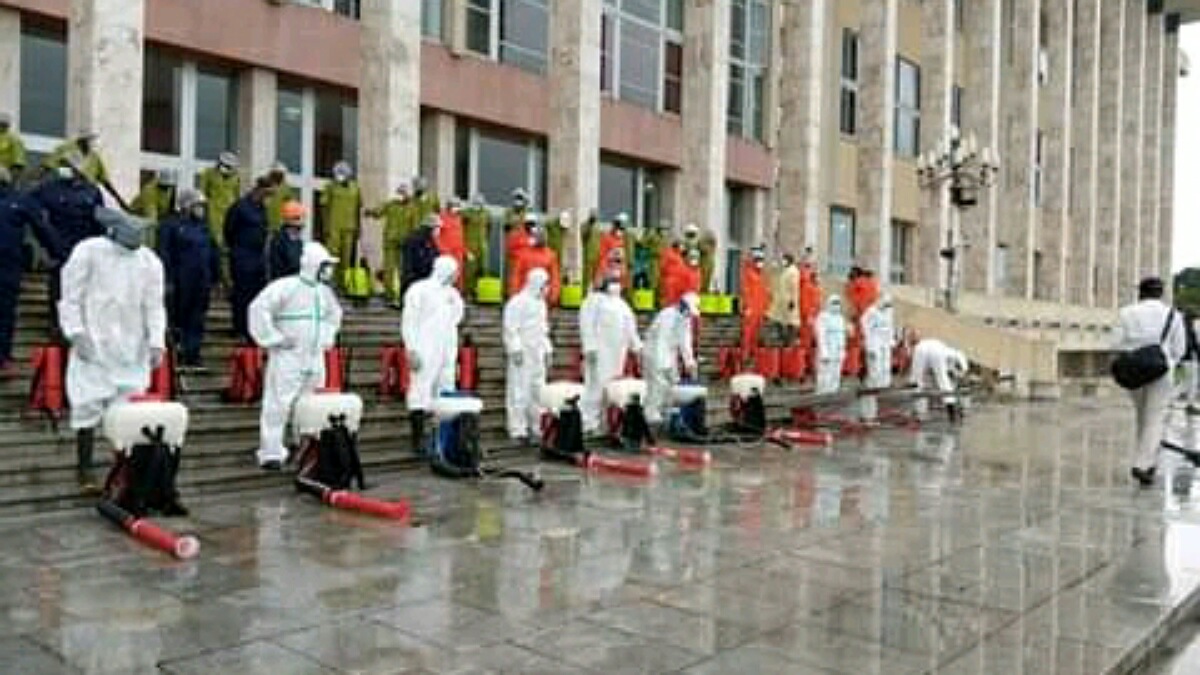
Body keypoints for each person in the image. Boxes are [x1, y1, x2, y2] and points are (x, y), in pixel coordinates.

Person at [60, 208, 166, 493]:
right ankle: (84, 470)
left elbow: (154, 305)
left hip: (132, 348)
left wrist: (157, 341)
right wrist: (76, 332)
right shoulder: (89, 251)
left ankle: (124, 472)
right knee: (87, 405)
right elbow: (70, 296)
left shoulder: (149, 261)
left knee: (128, 412)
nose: (138, 238)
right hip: (94, 343)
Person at [249, 242, 343, 471]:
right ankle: (271, 452)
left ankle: (305, 448)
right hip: (288, 357)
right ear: (314, 265)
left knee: (310, 406)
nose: (329, 269)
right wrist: (273, 338)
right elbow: (258, 309)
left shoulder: (325, 293)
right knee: (278, 404)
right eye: (326, 264)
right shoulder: (286, 287)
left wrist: (327, 339)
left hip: (314, 358)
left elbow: (334, 316)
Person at [1115, 277, 1187, 486]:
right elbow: (1179, 349)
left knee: (1142, 416)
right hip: (1161, 370)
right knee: (1155, 417)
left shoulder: (1126, 312)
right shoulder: (1173, 315)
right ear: (1161, 293)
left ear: (1141, 292)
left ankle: (1147, 460)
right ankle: (1143, 463)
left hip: (1134, 369)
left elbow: (1115, 342)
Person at [29, 162, 104, 337]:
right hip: (59, 246)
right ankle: (56, 324)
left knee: (84, 288)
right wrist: (45, 239)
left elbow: (99, 220)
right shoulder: (49, 188)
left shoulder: (92, 191)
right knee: (59, 287)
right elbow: (29, 206)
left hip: (85, 247)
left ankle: (81, 324)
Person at [402, 256, 465, 453]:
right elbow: (409, 321)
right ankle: (417, 439)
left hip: (446, 349)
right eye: (454, 271)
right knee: (420, 390)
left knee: (445, 390)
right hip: (424, 347)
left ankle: (442, 437)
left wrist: (452, 357)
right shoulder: (419, 289)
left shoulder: (453, 295)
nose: (456, 276)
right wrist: (411, 348)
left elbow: (456, 319)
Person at [158, 189, 220, 370]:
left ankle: (193, 353)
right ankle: (177, 351)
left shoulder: (203, 227)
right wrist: (167, 279)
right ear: (186, 206)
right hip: (180, 279)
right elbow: (164, 253)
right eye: (198, 206)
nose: (201, 209)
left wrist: (216, 277)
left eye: (202, 206)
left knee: (197, 318)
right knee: (179, 318)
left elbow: (212, 252)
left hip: (202, 280)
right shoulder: (171, 225)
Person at [579, 275, 643, 433]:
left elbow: (630, 328)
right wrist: (590, 346)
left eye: (617, 282)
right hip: (600, 350)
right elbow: (586, 324)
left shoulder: (622, 305)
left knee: (612, 388)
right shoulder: (594, 301)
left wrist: (637, 347)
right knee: (595, 386)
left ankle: (605, 423)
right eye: (612, 282)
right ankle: (589, 423)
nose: (616, 285)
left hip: (618, 351)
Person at [503, 267, 553, 443]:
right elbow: (510, 328)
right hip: (523, 354)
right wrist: (515, 348)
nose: (548, 287)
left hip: (537, 353)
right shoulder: (518, 302)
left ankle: (536, 426)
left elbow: (543, 330)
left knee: (538, 391)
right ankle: (517, 429)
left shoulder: (541, 304)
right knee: (519, 391)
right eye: (546, 284)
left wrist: (547, 350)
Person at [0, 167, 40, 373]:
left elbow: (43, 230)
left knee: (5, 313)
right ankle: (3, 357)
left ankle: (3, 357)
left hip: (8, 267)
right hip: (8, 267)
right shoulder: (19, 201)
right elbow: (43, 230)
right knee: (5, 313)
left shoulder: (19, 201)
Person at [225, 178, 274, 341]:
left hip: (258, 257)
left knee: (257, 295)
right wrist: (238, 249)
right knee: (242, 295)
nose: (268, 197)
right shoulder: (240, 207)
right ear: (258, 190)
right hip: (242, 255)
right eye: (266, 193)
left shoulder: (262, 208)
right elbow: (229, 230)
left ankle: (252, 330)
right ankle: (239, 328)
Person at [642, 293, 700, 426]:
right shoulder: (667, 315)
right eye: (689, 311)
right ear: (683, 306)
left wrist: (689, 362)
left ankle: (666, 410)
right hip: (654, 352)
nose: (690, 315)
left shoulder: (685, 319)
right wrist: (663, 364)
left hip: (669, 351)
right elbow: (661, 340)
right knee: (657, 383)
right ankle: (651, 412)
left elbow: (685, 341)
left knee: (674, 382)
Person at [367, 183, 414, 305]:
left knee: (403, 270)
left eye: (404, 193)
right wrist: (370, 212)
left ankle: (402, 295)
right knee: (389, 268)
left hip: (405, 243)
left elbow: (415, 224)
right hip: (390, 241)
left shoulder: (412, 207)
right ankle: (389, 295)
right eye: (400, 193)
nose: (402, 195)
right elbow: (378, 212)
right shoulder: (391, 204)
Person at [319, 161, 361, 288]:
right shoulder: (330, 187)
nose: (340, 176)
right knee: (332, 256)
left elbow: (358, 209)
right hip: (334, 227)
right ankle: (329, 283)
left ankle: (344, 285)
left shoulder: (356, 188)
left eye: (343, 173)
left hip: (349, 227)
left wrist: (359, 228)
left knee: (346, 258)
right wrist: (325, 226)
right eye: (338, 173)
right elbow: (324, 207)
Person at [909, 337, 970, 421]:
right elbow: (960, 371)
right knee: (943, 381)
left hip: (925, 350)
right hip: (936, 351)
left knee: (917, 380)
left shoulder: (951, 354)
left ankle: (918, 412)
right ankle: (951, 413)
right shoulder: (956, 355)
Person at [197, 151, 241, 264]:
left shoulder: (236, 177)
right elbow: (201, 194)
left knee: (227, 245)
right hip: (213, 212)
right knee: (215, 243)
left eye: (230, 166)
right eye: (225, 165)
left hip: (229, 213)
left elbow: (237, 196)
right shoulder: (208, 173)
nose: (227, 168)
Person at [860, 293, 895, 423]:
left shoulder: (888, 311)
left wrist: (891, 341)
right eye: (885, 304)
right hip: (874, 345)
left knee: (883, 372)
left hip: (885, 345)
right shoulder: (871, 312)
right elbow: (866, 328)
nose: (886, 306)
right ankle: (867, 414)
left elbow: (890, 327)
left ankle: (872, 413)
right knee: (874, 375)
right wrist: (870, 347)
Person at [508, 224, 562, 305]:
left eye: (542, 236)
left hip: (541, 298)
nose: (540, 238)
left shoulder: (551, 255)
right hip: (524, 297)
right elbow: (516, 276)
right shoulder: (523, 254)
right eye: (537, 236)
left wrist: (553, 296)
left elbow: (554, 278)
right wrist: (514, 294)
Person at [43, 131, 111, 189]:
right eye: (89, 140)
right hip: (65, 188)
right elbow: (48, 167)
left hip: (83, 190)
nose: (92, 143)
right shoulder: (66, 150)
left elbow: (104, 180)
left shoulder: (94, 158)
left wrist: (118, 199)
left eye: (93, 140)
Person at [129, 169, 177, 249]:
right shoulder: (149, 191)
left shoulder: (169, 189)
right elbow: (151, 218)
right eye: (165, 186)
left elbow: (168, 209)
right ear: (159, 183)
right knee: (147, 245)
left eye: (169, 186)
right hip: (139, 220)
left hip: (155, 217)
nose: (167, 189)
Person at [739, 246, 771, 356]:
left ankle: (753, 355)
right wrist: (747, 306)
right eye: (758, 260)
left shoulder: (762, 275)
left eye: (761, 260)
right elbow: (745, 291)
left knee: (756, 335)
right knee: (748, 334)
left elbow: (765, 293)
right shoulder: (748, 273)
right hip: (751, 310)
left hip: (760, 310)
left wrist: (766, 308)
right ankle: (745, 355)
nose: (760, 262)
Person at [402, 214, 441, 295]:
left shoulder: (428, 239)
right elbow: (415, 262)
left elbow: (436, 256)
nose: (439, 231)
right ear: (431, 227)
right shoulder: (417, 239)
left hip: (421, 281)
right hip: (416, 282)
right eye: (438, 227)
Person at [815, 295, 847, 394]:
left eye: (838, 303)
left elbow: (842, 335)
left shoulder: (840, 318)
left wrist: (842, 350)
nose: (836, 306)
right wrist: (824, 352)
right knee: (825, 372)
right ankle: (823, 392)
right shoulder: (823, 316)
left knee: (836, 371)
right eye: (834, 303)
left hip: (838, 348)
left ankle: (833, 390)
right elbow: (821, 335)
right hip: (828, 347)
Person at [768, 254, 801, 347]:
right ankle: (784, 340)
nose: (783, 261)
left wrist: (792, 301)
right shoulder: (786, 271)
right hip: (782, 301)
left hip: (788, 301)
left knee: (791, 322)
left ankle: (789, 342)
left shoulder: (793, 272)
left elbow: (794, 287)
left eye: (784, 259)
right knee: (778, 320)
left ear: (789, 260)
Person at [268, 201, 306, 280]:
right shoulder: (278, 241)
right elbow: (277, 271)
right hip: (284, 285)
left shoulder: (298, 241)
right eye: (300, 218)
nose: (303, 222)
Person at [437, 198, 469, 291]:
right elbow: (436, 236)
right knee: (446, 274)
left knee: (458, 276)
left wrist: (465, 251)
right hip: (446, 252)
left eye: (458, 206)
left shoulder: (459, 219)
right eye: (455, 206)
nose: (456, 208)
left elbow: (461, 238)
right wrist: (442, 249)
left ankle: (458, 295)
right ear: (449, 206)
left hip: (458, 252)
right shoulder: (441, 217)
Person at [592, 213, 629, 288]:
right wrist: (602, 273)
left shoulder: (622, 240)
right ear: (615, 225)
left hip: (617, 273)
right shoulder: (606, 238)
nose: (621, 230)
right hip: (607, 272)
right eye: (619, 227)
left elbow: (622, 260)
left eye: (622, 228)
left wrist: (623, 273)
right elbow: (602, 256)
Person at [264, 162, 299, 233]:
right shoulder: (266, 189)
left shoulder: (286, 190)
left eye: (278, 174)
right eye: (274, 174)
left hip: (281, 228)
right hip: (267, 227)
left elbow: (293, 210)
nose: (276, 176)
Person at [506, 212, 535, 293]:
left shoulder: (534, 235)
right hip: (517, 264)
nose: (532, 226)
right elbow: (510, 249)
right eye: (530, 224)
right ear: (525, 223)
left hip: (529, 266)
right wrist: (521, 256)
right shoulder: (516, 234)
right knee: (514, 282)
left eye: (533, 224)